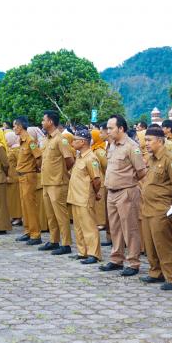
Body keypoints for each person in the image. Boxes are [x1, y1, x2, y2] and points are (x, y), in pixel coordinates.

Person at [100, 114, 147, 276]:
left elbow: (141, 171)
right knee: (114, 227)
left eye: (111, 128)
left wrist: (129, 183)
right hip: (111, 192)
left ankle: (133, 262)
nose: (108, 130)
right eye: (107, 128)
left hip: (126, 191)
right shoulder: (112, 145)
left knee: (130, 228)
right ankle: (116, 259)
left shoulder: (131, 146)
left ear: (121, 128)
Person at [139, 127, 172, 289]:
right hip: (147, 208)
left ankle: (171, 277)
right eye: (146, 140)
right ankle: (155, 272)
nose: (146, 144)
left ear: (160, 141)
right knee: (150, 244)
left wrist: (170, 201)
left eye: (149, 140)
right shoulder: (151, 159)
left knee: (164, 244)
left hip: (162, 208)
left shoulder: (170, 160)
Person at [38, 111, 75, 255]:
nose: (42, 122)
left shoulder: (61, 139)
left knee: (61, 215)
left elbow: (70, 160)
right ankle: (54, 240)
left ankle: (66, 244)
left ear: (50, 122)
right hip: (46, 182)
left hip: (57, 182)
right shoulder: (46, 140)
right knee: (50, 215)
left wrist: (62, 174)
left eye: (43, 120)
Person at [67, 128, 103, 264]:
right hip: (75, 196)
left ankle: (94, 254)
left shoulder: (91, 158)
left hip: (84, 196)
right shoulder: (79, 156)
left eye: (75, 140)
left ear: (82, 142)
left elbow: (97, 180)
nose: (73, 142)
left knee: (89, 226)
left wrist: (95, 192)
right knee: (78, 226)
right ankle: (83, 252)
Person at [13, 117, 43, 245]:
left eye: (14, 126)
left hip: (28, 175)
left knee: (30, 205)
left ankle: (35, 234)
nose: (13, 128)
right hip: (21, 176)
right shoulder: (21, 140)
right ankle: (28, 231)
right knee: (24, 205)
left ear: (20, 126)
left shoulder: (30, 140)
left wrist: (34, 169)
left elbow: (38, 157)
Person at [5, 131, 22, 226]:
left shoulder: (17, 149)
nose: (6, 141)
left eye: (7, 139)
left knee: (16, 199)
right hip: (10, 176)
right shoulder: (11, 149)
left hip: (15, 176)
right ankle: (14, 216)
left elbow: (19, 163)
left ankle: (18, 217)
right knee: (12, 198)